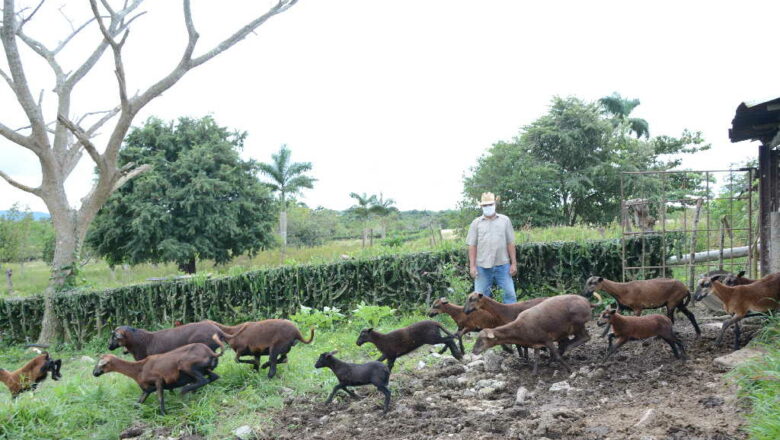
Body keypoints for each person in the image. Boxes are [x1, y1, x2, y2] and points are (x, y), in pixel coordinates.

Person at [465, 192, 517, 304]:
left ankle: (512, 320)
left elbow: (510, 243)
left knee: (510, 296)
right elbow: (472, 246)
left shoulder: (505, 220)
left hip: (503, 265)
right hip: (482, 267)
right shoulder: (476, 223)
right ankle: (481, 321)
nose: (488, 207)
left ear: (495, 204)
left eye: (490, 204)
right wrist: (472, 266)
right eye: (485, 205)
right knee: (479, 300)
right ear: (481, 207)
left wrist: (513, 263)